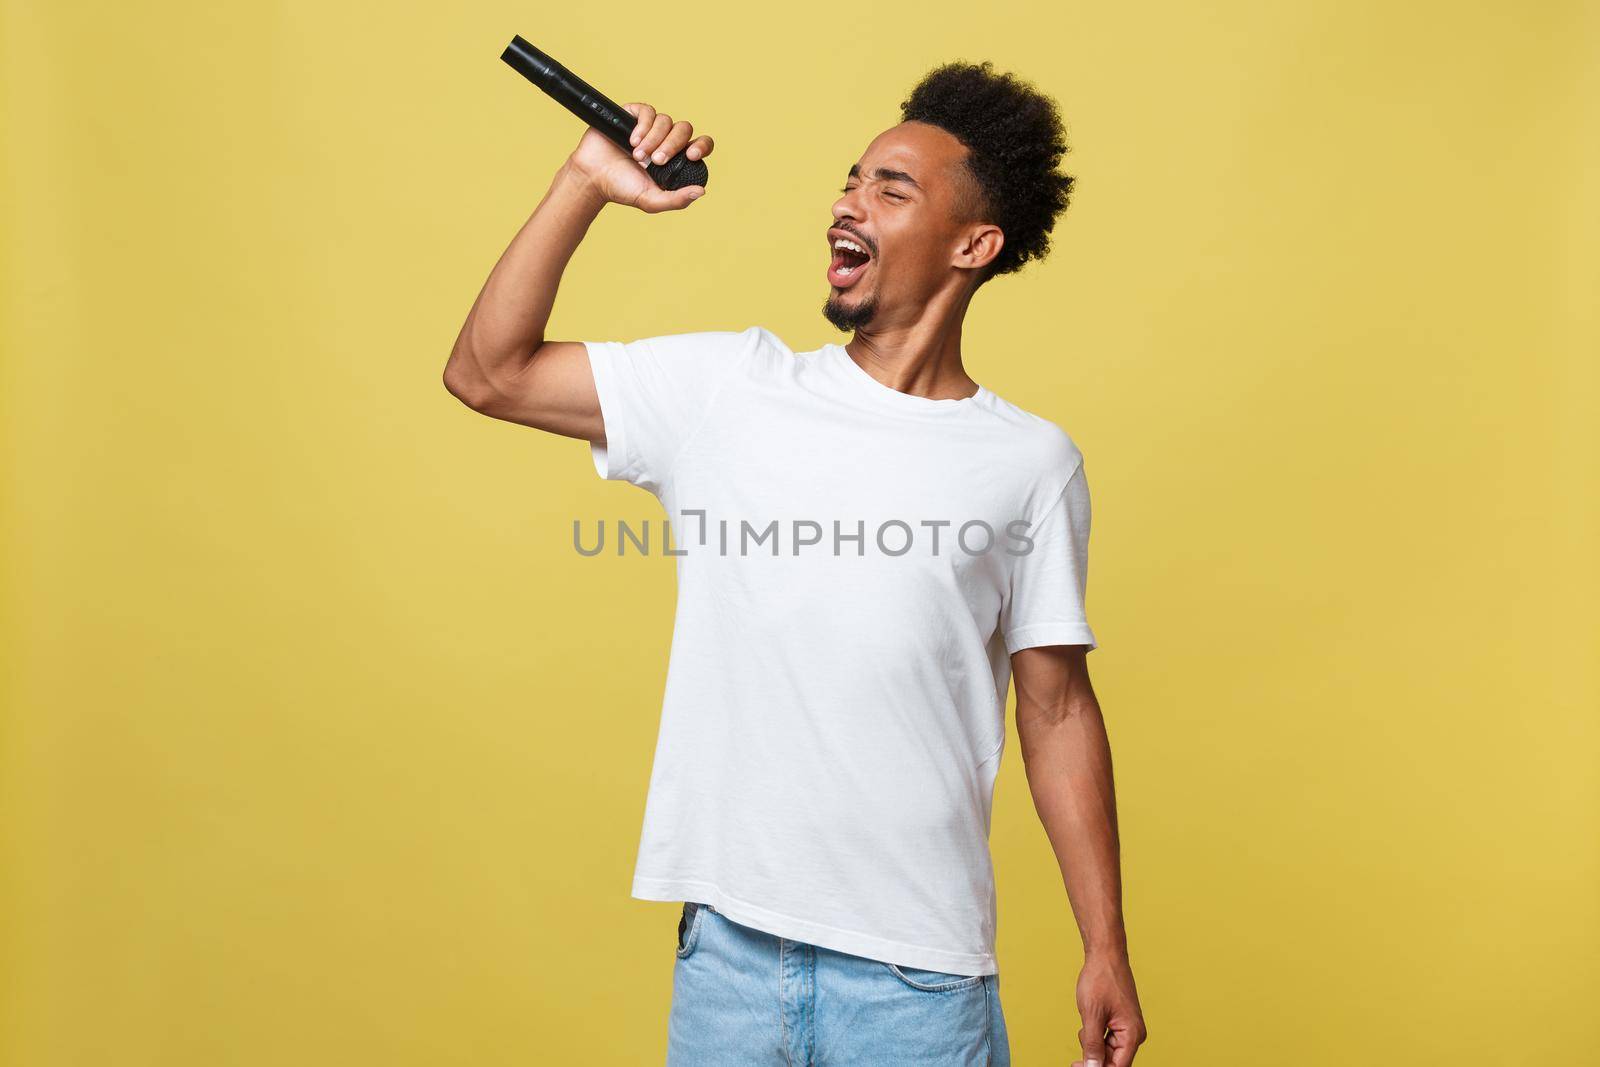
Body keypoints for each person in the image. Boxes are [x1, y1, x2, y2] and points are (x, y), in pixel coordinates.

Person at [444, 60, 1147, 1067]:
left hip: (916, 981)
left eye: (889, 188)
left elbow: (1057, 708)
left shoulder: (1027, 462)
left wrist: (1104, 943)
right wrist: (584, 184)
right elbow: (487, 370)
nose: (846, 202)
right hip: (726, 961)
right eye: (851, 177)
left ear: (974, 244)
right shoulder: (729, 388)